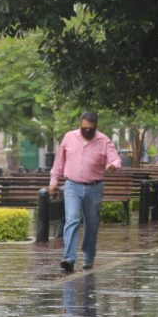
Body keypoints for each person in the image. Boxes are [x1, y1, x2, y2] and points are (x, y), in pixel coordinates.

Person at [49, 111, 121, 272]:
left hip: (94, 187)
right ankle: (69, 258)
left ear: (96, 127)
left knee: (92, 224)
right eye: (84, 128)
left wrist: (113, 165)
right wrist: (53, 182)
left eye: (91, 128)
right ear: (79, 124)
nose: (87, 131)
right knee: (72, 219)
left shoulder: (103, 140)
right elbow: (59, 162)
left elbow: (116, 158)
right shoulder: (69, 137)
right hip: (72, 185)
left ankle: (88, 256)